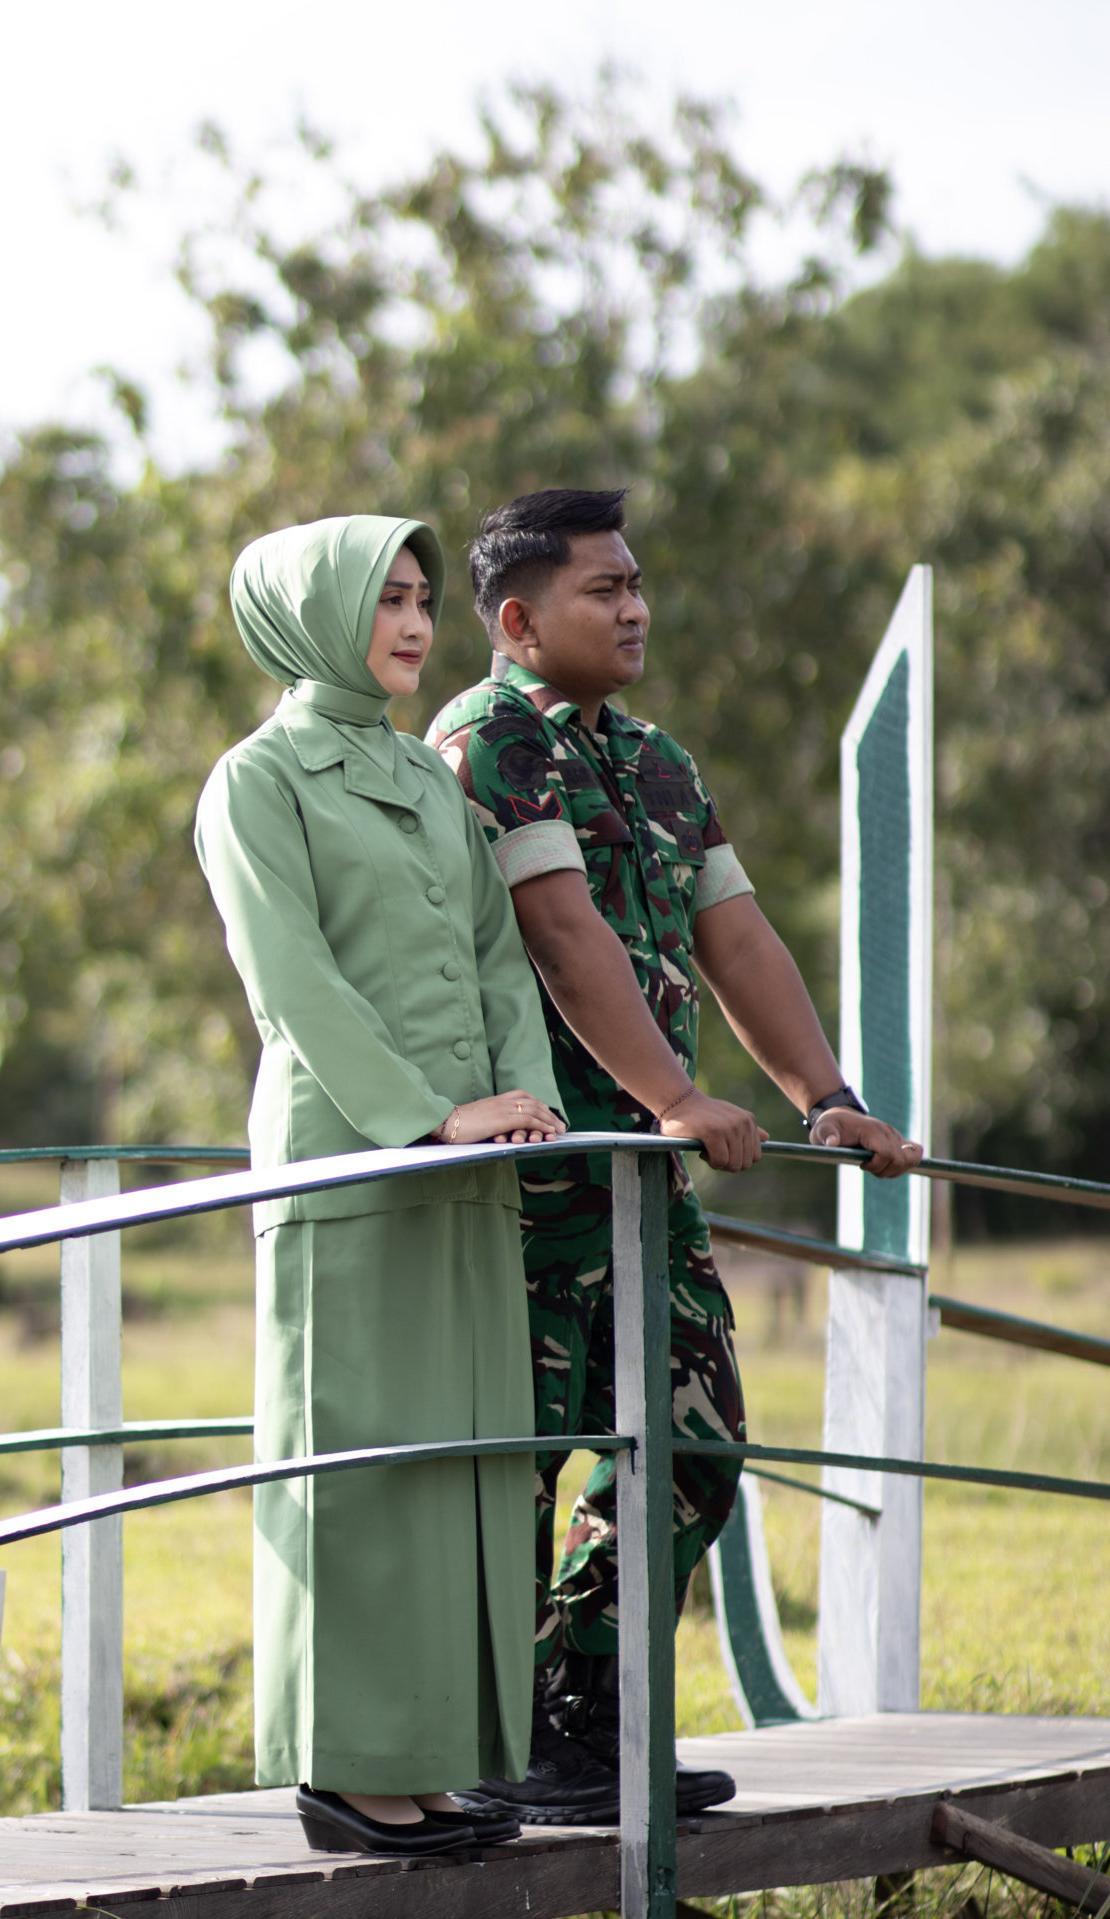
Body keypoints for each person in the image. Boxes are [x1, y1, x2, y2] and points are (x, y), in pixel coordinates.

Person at [428, 487, 924, 1826]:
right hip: (533, 1170)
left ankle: (582, 1717)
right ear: (520, 621)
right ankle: (499, 1738)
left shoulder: (656, 762)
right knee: (523, 1455)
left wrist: (827, 1097)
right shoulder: (487, 739)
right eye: (605, 590)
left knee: (694, 1439)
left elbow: (738, 938)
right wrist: (677, 1095)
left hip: (644, 1177)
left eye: (638, 583)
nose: (637, 608)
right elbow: (558, 930)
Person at [195, 514, 567, 1858]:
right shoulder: (256, 780)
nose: (414, 625)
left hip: (470, 1170)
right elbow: (291, 982)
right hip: (352, 1164)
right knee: (354, 1470)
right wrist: (430, 1118)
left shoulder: (427, 777)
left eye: (420, 600)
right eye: (385, 602)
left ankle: (427, 1761)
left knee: (455, 1467)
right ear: (311, 618)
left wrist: (527, 1106)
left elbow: (499, 960)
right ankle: (345, 1775)